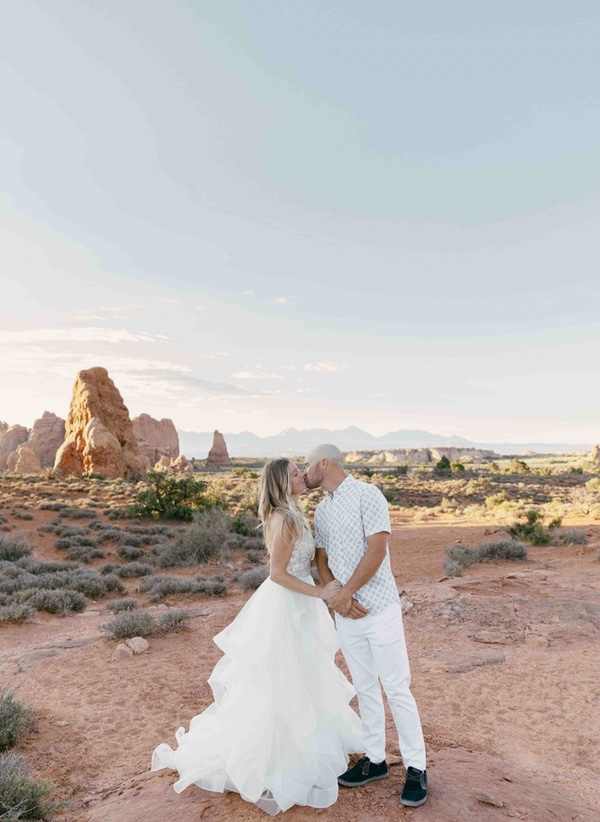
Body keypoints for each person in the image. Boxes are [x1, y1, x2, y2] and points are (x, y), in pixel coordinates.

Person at [151, 458, 362, 816]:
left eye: (300, 470)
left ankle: (308, 741)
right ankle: (277, 757)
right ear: (282, 483)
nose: (301, 476)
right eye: (295, 474)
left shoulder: (294, 510)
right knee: (280, 677)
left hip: (302, 602)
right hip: (286, 606)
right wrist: (321, 594)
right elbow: (277, 574)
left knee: (305, 672)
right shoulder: (283, 519)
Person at [304, 444, 428, 808]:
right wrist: (337, 598)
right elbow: (321, 558)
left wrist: (347, 594)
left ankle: (416, 768)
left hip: (381, 610)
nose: (305, 472)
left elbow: (377, 550)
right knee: (365, 687)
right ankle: (375, 760)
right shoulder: (322, 509)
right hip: (348, 614)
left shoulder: (368, 495)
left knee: (396, 687)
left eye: (308, 465)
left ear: (324, 463)